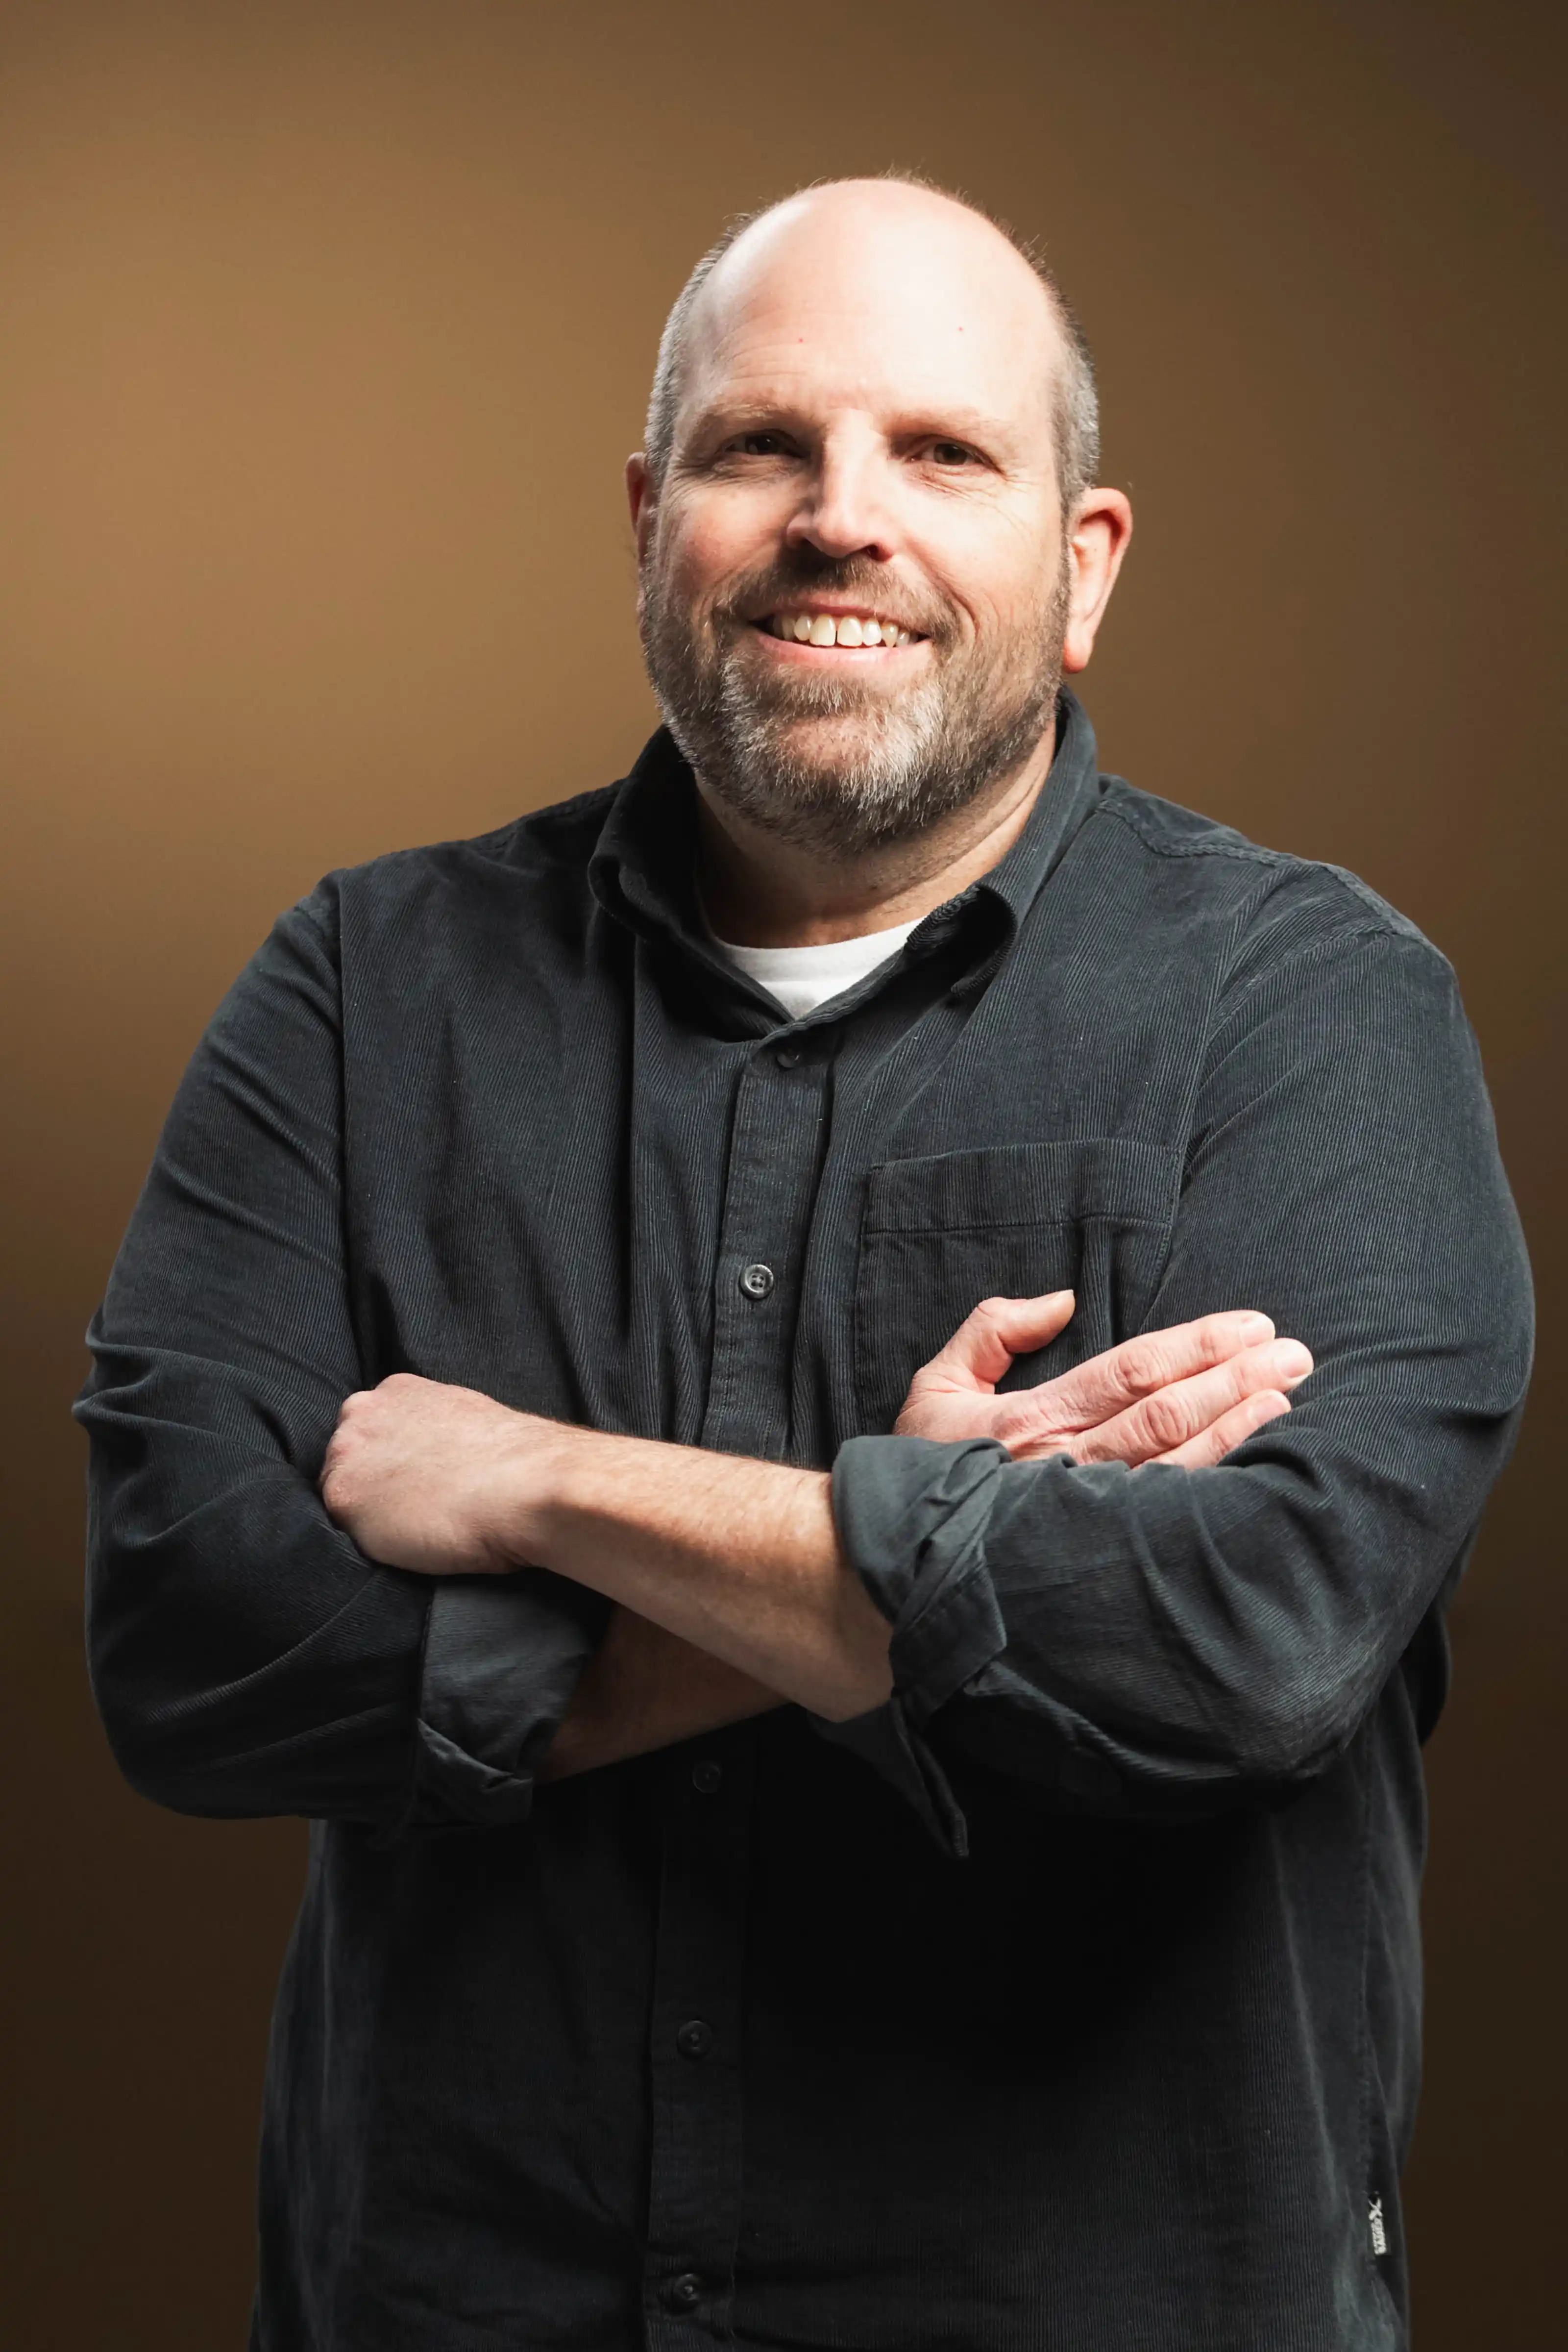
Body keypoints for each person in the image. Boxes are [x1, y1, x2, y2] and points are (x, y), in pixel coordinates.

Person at [77, 176, 1532, 2352]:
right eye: (765, 446)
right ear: (649, 518)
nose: (840, 516)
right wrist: (914, 1539)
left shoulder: (1305, 1007)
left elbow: (1248, 1647)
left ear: (1080, 566)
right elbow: (193, 1645)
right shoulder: (361, 990)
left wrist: (544, 1483)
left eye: (940, 453)